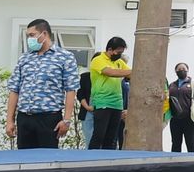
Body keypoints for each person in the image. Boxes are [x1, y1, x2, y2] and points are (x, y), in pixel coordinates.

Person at [7, 19, 78, 150]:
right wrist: (9, 121)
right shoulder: (24, 58)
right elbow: (14, 89)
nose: (29, 39)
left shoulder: (65, 57)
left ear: (44, 34)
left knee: (47, 158)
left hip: (49, 118)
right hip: (25, 118)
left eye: (32, 35)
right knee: (23, 158)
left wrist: (67, 120)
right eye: (28, 36)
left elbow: (71, 89)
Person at [83, 37, 131, 150]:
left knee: (112, 138)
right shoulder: (98, 60)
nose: (119, 55)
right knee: (99, 135)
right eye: (118, 52)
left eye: (121, 52)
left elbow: (129, 74)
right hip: (102, 102)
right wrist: (133, 71)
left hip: (117, 103)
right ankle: (92, 157)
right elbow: (110, 72)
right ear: (110, 49)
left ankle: (109, 158)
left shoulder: (119, 62)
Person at [166, 62, 194, 153]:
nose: (181, 71)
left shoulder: (193, 83)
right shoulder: (172, 85)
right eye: (179, 69)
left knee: (190, 143)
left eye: (183, 69)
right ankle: (175, 161)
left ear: (187, 70)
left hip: (189, 119)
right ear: (176, 72)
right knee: (175, 143)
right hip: (175, 119)